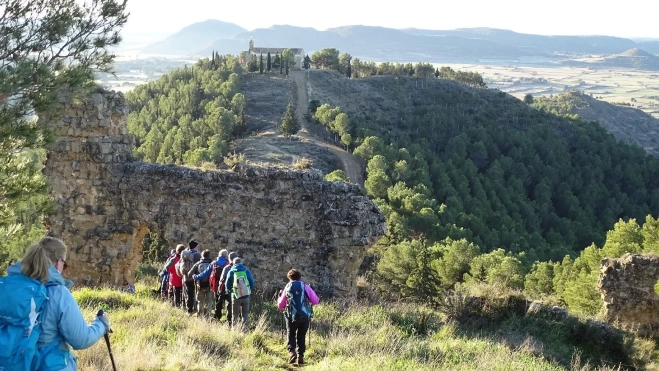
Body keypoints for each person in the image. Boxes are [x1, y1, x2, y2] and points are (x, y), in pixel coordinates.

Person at [1, 236, 111, 370]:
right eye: (64, 265)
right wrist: (101, 324)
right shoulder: (58, 293)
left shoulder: (6, 287)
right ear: (59, 262)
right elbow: (81, 340)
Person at [277, 269, 319, 365]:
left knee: (291, 333)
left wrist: (279, 297)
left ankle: (292, 352)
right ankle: (300, 355)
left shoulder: (287, 287)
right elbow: (316, 301)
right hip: (304, 316)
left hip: (291, 316)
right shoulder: (305, 287)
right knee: (301, 335)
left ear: (289, 278)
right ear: (300, 277)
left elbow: (280, 306)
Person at [194, 249, 232, 321]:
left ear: (219, 255)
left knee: (218, 302)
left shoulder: (214, 263)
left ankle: (217, 318)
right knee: (228, 303)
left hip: (216, 286)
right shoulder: (228, 264)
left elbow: (205, 273)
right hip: (226, 287)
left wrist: (196, 277)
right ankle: (229, 319)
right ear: (226, 256)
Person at [225, 257, 255, 331]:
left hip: (235, 296)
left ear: (233, 263)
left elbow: (227, 284)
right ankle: (245, 330)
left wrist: (230, 291)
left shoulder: (231, 271)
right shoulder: (246, 270)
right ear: (241, 263)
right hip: (246, 296)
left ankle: (234, 330)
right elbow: (252, 282)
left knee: (235, 315)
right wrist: (248, 290)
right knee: (245, 315)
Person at [189, 249, 214, 317]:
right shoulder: (212, 264)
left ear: (202, 256)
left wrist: (195, 276)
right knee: (209, 302)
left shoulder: (198, 264)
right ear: (209, 255)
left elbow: (189, 274)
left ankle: (200, 315)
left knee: (200, 302)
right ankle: (208, 316)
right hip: (210, 286)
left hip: (199, 285)